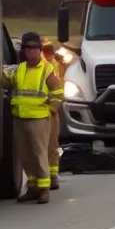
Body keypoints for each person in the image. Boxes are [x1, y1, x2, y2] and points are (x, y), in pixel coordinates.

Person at [0, 31, 64, 203]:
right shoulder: (20, 69)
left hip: (38, 118)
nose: (29, 52)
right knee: (25, 155)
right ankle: (33, 186)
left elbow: (57, 92)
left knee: (39, 153)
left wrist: (51, 110)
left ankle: (44, 188)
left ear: (39, 50)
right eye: (27, 49)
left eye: (33, 49)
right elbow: (6, 81)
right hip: (20, 117)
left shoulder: (46, 69)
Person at [40, 38, 66, 190]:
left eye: (51, 49)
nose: (49, 52)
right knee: (40, 146)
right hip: (40, 110)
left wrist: (53, 108)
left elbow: (59, 86)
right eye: (46, 50)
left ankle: (53, 176)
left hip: (52, 110)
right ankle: (42, 178)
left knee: (52, 145)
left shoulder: (54, 64)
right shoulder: (42, 65)